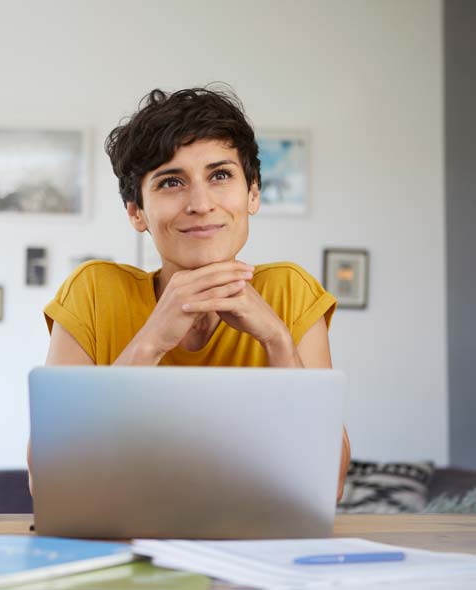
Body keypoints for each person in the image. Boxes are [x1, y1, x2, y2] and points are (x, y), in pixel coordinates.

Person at [29, 86, 351, 499]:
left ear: (252, 193)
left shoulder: (290, 291)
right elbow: (49, 482)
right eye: (171, 182)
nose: (201, 203)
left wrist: (277, 342)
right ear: (136, 211)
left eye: (220, 175)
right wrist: (150, 341)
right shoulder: (93, 292)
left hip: (257, 550)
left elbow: (330, 484)